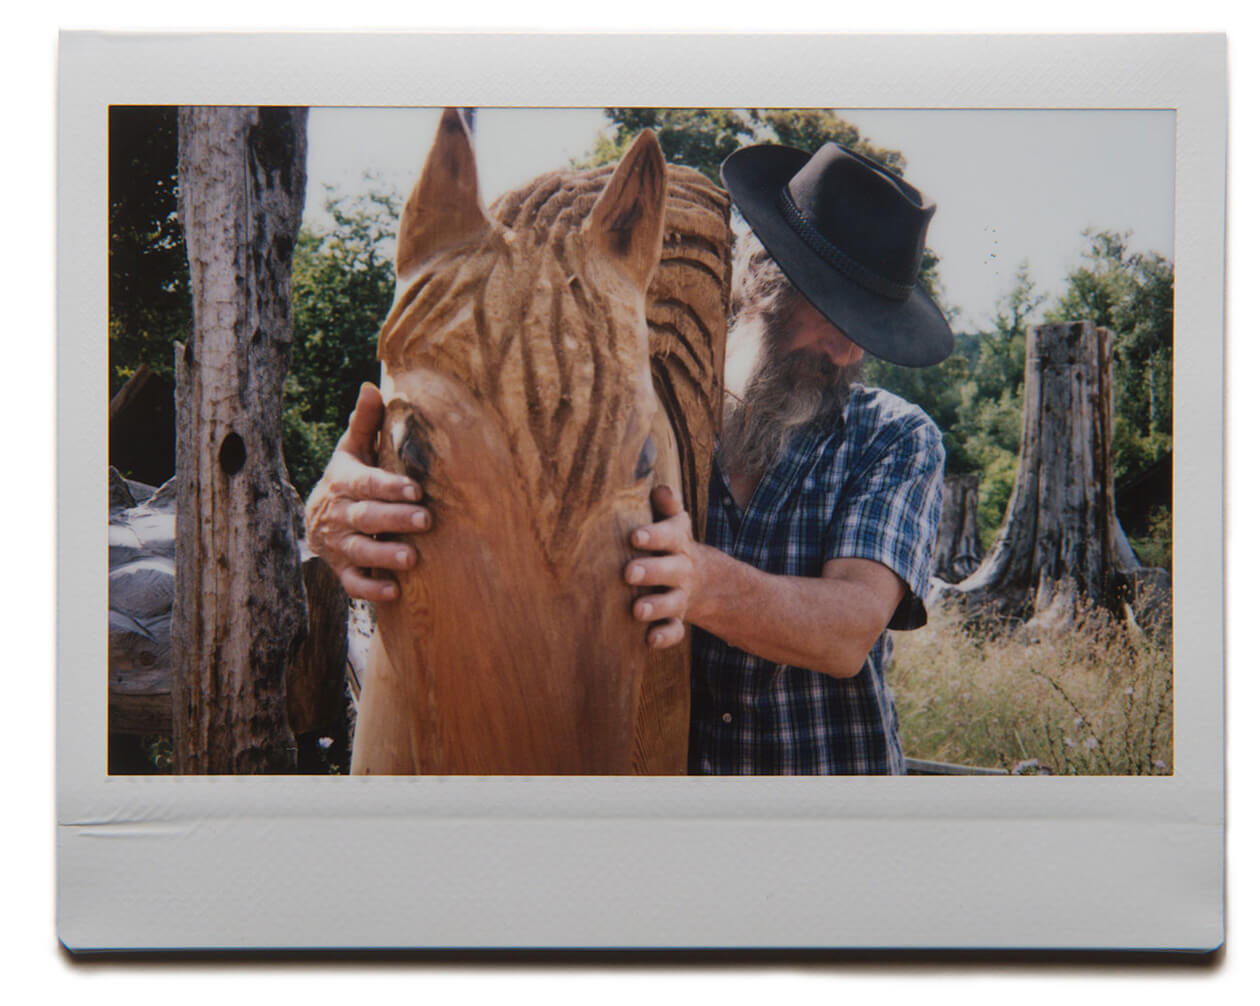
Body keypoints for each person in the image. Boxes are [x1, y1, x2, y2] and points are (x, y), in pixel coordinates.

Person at [305, 141, 952, 775]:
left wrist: (699, 581)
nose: (845, 353)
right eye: (832, 315)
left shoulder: (894, 438)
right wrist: (338, 511)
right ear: (762, 281)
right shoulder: (631, 406)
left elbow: (847, 631)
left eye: (867, 332)